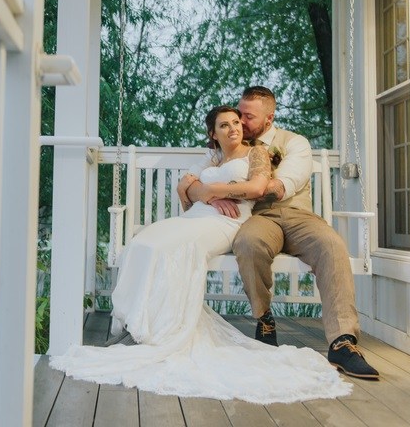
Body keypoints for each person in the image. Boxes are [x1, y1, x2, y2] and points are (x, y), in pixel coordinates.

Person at [50, 106, 351, 403]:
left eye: (237, 122)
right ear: (213, 133)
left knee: (168, 248)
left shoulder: (257, 152)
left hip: (227, 220)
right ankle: (133, 324)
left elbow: (258, 187)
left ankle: (160, 333)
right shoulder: (212, 156)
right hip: (198, 215)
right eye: (226, 124)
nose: (235, 127)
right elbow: (184, 187)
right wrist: (207, 193)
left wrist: (214, 191)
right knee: (143, 242)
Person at [178, 86, 379, 380]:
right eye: (238, 113)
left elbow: (282, 184)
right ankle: (264, 319)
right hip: (260, 217)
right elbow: (190, 180)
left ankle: (342, 341)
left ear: (269, 119)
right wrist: (210, 193)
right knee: (247, 243)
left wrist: (242, 184)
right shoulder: (225, 148)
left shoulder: (294, 143)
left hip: (297, 215)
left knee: (332, 245)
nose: (240, 121)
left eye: (247, 116)